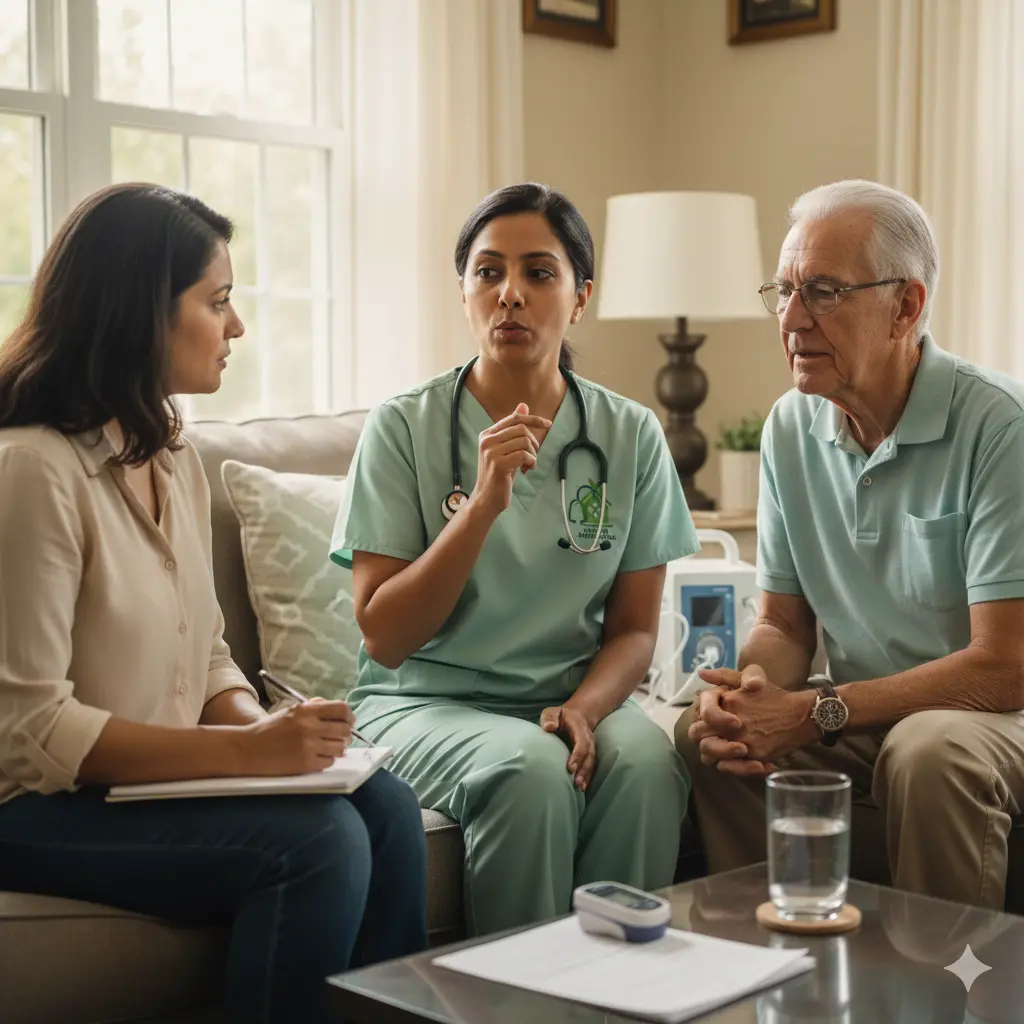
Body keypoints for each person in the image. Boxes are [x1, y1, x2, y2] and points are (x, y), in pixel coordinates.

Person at [0, 183, 428, 1024]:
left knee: (386, 805)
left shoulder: (166, 450)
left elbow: (206, 658)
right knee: (318, 847)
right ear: (141, 312)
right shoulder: (31, 470)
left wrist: (270, 732)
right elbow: (30, 733)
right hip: (33, 805)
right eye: (218, 300)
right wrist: (248, 757)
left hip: (131, 791)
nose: (237, 327)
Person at [330, 182, 697, 936]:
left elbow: (633, 629)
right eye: (488, 272)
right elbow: (385, 637)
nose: (510, 296)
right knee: (528, 772)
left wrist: (586, 710)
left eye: (538, 272)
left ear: (581, 294)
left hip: (569, 694)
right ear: (463, 291)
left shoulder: (629, 435)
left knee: (649, 766)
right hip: (423, 702)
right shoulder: (404, 429)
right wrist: (484, 506)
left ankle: (619, 1006)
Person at [675, 179, 1024, 910]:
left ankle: (940, 999)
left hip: (996, 716)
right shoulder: (789, 428)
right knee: (710, 740)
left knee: (928, 750)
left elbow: (1005, 666)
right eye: (785, 290)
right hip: (873, 712)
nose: (793, 319)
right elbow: (783, 624)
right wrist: (751, 695)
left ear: (907, 307)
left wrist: (815, 710)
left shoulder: (1002, 427)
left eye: (825, 291)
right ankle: (766, 970)